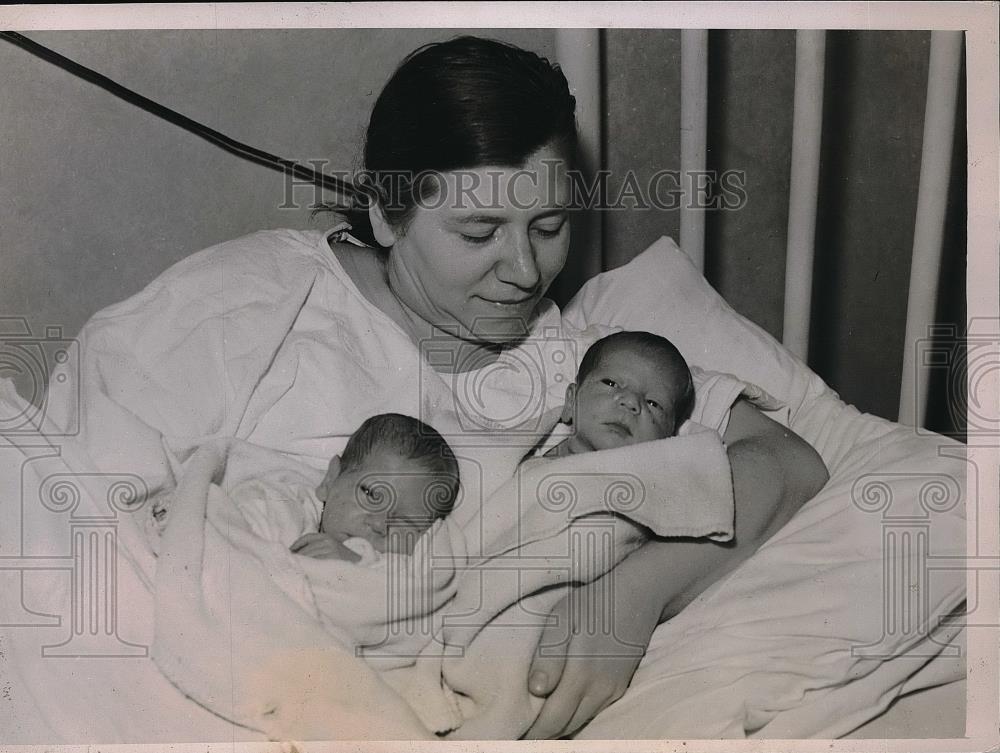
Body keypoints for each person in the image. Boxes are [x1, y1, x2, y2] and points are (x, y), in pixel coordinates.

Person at [71, 34, 829, 741]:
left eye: (549, 225)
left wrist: (634, 595)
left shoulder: (577, 365)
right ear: (387, 215)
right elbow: (69, 490)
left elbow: (786, 463)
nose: (527, 272)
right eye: (479, 232)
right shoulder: (254, 304)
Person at [289, 413, 460, 564]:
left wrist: (357, 563)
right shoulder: (289, 510)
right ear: (330, 479)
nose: (379, 524)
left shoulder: (405, 571)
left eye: (407, 521)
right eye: (371, 495)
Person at [540, 330, 695, 458]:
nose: (630, 401)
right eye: (611, 383)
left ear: (669, 437)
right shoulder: (525, 467)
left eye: (653, 403)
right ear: (571, 401)